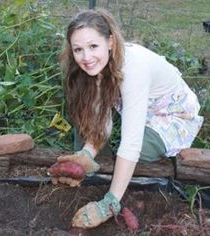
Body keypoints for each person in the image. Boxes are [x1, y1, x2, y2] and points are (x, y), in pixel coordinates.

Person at [54, 9, 204, 228]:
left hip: (170, 116)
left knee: (136, 150)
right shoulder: (96, 67)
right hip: (136, 105)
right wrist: (87, 153)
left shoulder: (134, 68)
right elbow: (100, 117)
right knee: (85, 129)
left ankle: (115, 192)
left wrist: (110, 203)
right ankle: (96, 177)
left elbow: (131, 143)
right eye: (78, 49)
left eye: (93, 46)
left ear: (110, 42)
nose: (86, 57)